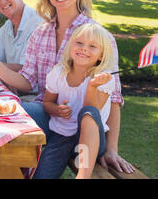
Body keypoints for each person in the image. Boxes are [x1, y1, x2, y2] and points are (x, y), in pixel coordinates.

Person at [0, 0, 135, 174]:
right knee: (5, 116)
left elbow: (114, 98)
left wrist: (112, 149)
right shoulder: (40, 33)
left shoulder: (98, 36)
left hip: (88, 131)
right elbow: (27, 81)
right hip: (51, 119)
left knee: (19, 128)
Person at [33, 23, 116, 179]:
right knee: (41, 175)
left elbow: (91, 115)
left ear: (101, 56)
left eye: (92, 46)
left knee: (88, 112)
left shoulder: (104, 78)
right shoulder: (59, 72)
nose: (84, 48)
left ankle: (83, 176)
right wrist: (57, 110)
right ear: (70, 46)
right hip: (62, 136)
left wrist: (92, 87)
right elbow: (47, 104)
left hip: (93, 142)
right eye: (79, 43)